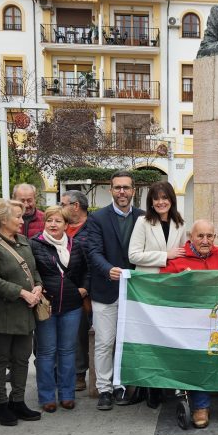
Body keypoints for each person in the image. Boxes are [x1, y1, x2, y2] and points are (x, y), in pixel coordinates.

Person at [162, 219, 218, 428]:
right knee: (197, 356)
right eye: (200, 236)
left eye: (210, 236)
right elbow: (162, 288)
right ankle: (201, 406)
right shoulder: (178, 259)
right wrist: (180, 282)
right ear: (191, 237)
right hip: (191, 326)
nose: (205, 240)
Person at [0, 198, 44, 426]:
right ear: (3, 220)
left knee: (22, 359)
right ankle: (0, 404)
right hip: (1, 313)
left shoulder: (24, 242)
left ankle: (18, 401)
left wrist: (37, 287)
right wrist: (22, 293)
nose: (21, 220)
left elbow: (34, 270)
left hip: (25, 312)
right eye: (17, 216)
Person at [86, 171, 144, 410]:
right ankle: (105, 389)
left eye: (126, 188)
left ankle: (124, 386)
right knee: (105, 342)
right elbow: (93, 252)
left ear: (134, 191)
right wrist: (107, 269)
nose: (122, 192)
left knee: (130, 342)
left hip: (136, 292)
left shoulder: (143, 217)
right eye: (118, 187)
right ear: (111, 190)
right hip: (106, 289)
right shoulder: (97, 218)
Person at [128, 181, 187, 408]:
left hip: (170, 288)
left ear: (171, 199)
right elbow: (133, 255)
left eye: (164, 197)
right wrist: (165, 255)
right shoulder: (143, 222)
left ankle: (166, 384)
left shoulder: (179, 223)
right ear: (151, 202)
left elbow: (181, 255)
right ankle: (149, 387)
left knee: (166, 337)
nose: (160, 202)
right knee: (149, 337)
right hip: (147, 288)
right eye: (156, 198)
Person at [30, 205, 89, 413]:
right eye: (49, 220)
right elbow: (31, 272)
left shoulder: (76, 245)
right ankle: (46, 396)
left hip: (72, 306)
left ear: (66, 225)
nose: (53, 224)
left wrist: (83, 288)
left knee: (67, 351)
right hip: (47, 305)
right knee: (46, 352)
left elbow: (85, 270)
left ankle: (67, 394)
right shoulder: (35, 244)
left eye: (58, 221)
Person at [60, 190, 92, 392]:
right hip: (60, 289)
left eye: (63, 204)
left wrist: (86, 287)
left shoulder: (93, 227)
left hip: (84, 290)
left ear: (75, 206)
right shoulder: (60, 227)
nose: (60, 207)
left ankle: (80, 373)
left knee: (81, 334)